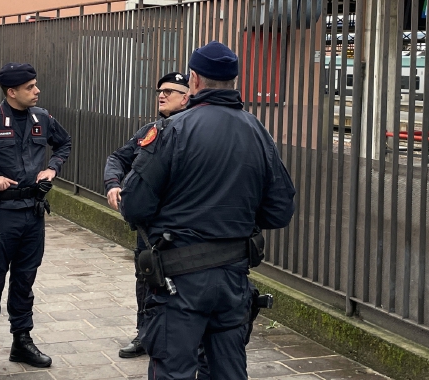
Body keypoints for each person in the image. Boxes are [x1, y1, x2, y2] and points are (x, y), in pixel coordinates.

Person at [120, 41, 296, 380]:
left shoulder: (172, 130)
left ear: (195, 79)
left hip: (177, 279)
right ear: (234, 81)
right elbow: (279, 211)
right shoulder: (258, 132)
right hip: (232, 278)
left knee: (174, 370)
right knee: (228, 370)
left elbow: (134, 204)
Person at [0, 62, 71, 368]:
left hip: (33, 213)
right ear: (12, 92)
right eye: (29, 87)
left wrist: (53, 167)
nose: (36, 91)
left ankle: (22, 341)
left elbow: (64, 142)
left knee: (25, 280)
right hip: (1, 214)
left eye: (35, 85)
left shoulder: (42, 117)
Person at [104, 72, 190, 359]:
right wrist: (114, 184)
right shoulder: (150, 130)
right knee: (146, 280)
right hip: (148, 229)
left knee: (182, 285)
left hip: (180, 227)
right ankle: (145, 334)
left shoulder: (192, 130)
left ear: (186, 96)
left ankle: (181, 340)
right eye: (159, 91)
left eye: (169, 91)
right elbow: (118, 157)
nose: (161, 95)